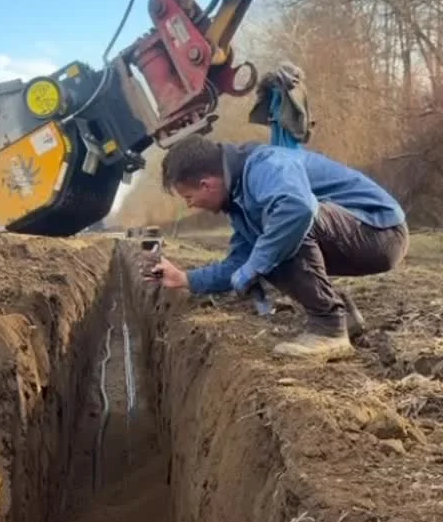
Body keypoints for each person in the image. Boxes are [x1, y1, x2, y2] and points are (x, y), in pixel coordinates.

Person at [150, 135, 409, 359]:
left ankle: (329, 327)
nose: (190, 206)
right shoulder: (239, 201)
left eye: (188, 197)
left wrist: (255, 265)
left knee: (279, 230)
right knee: (268, 244)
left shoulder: (265, 166)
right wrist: (184, 278)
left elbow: (297, 209)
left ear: (206, 184)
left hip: (381, 231)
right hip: (354, 234)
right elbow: (239, 263)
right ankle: (343, 314)